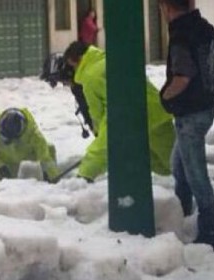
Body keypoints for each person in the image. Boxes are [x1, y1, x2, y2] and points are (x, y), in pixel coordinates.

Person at [159, 0, 214, 252]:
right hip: (205, 108)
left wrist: (165, 96)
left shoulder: (181, 35)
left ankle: (209, 232)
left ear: (166, 7)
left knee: (196, 175)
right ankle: (182, 214)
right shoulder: (204, 27)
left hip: (191, 115)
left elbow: (183, 76)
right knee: (179, 166)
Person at [62, 41, 175, 182]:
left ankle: (82, 179)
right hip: (156, 112)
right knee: (175, 160)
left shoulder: (89, 77)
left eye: (71, 64)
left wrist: (97, 131)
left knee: (104, 149)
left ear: (76, 59)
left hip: (129, 117)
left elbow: (96, 112)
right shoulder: (112, 60)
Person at [0, 107, 59, 182]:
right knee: (6, 183)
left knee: (49, 148)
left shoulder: (34, 135)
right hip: (5, 159)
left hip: (25, 154)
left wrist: (51, 175)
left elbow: (45, 158)